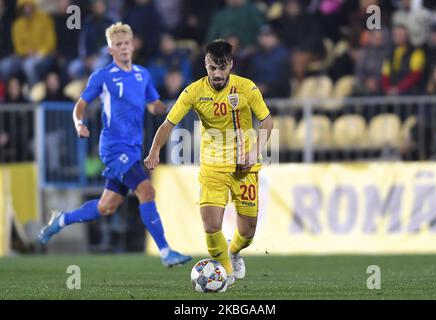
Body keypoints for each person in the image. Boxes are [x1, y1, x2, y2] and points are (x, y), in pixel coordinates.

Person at [38, 22, 191, 267]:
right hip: (113, 147)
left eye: (126, 43)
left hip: (131, 148)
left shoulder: (143, 74)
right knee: (146, 190)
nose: (123, 48)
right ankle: (166, 252)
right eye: (117, 44)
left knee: (106, 206)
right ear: (110, 50)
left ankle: (62, 220)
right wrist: (79, 123)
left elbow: (154, 106)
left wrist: (172, 107)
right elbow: (81, 105)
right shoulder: (103, 76)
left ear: (133, 45)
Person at [144, 39, 273, 291]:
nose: (217, 74)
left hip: (244, 168)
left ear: (230, 66)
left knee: (247, 233)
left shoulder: (246, 88)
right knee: (211, 225)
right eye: (212, 68)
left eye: (222, 68)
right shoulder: (193, 92)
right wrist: (154, 150)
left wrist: (255, 151)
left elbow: (267, 122)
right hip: (212, 166)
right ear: (206, 64)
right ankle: (225, 273)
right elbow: (168, 124)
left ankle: (234, 251)